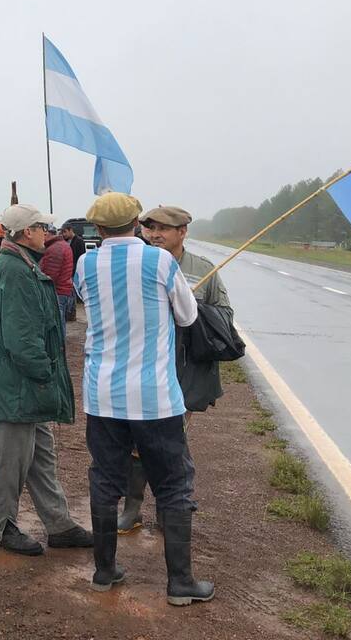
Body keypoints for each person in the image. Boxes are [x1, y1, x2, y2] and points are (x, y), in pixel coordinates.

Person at [72, 193, 212, 605]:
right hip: (155, 396)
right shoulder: (161, 262)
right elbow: (187, 317)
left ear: (97, 229)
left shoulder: (87, 263)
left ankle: (104, 571)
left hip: (102, 395)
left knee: (105, 478)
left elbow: (85, 302)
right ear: (138, 222)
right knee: (173, 484)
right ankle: (180, 583)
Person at [0, 204, 93, 556]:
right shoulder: (16, 271)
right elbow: (22, 341)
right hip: (15, 386)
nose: (46, 232)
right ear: (25, 233)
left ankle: (59, 523)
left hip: (20, 385)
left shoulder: (19, 263)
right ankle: (2, 527)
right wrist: (45, 375)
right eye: (40, 227)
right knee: (11, 461)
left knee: (40, 456)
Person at [115, 206, 234, 533]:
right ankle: (133, 509)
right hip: (142, 365)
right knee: (137, 440)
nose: (155, 234)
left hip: (182, 371)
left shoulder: (203, 270)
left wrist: (191, 307)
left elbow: (224, 315)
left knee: (171, 441)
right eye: (150, 228)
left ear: (183, 232)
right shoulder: (136, 264)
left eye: (163, 229)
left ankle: (173, 511)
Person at [39, 225, 74, 339]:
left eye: (43, 235)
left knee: (57, 323)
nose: (42, 237)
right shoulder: (62, 245)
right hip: (64, 290)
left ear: (49, 234)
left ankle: (58, 347)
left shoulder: (55, 249)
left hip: (57, 291)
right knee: (61, 320)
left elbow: (50, 276)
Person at [60, 223, 87, 321]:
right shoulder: (65, 241)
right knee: (70, 293)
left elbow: (81, 256)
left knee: (72, 293)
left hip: (74, 269)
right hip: (68, 270)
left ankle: (71, 313)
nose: (63, 234)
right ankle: (70, 313)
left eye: (65, 232)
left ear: (70, 230)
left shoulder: (79, 241)